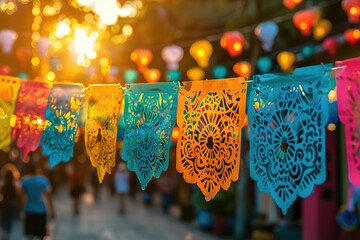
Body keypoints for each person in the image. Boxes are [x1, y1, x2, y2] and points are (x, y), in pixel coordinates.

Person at [21, 163, 55, 240]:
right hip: (41, 210)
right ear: (37, 170)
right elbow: (49, 197)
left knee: (29, 235)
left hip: (29, 210)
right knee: (42, 235)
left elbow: (22, 197)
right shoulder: (43, 180)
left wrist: (21, 209)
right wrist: (52, 210)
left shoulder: (25, 181)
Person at [0, 170, 20, 240]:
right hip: (12, 203)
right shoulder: (15, 184)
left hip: (5, 202)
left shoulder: (2, 183)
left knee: (4, 217)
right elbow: (18, 194)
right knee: (10, 219)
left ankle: (4, 233)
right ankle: (7, 232)